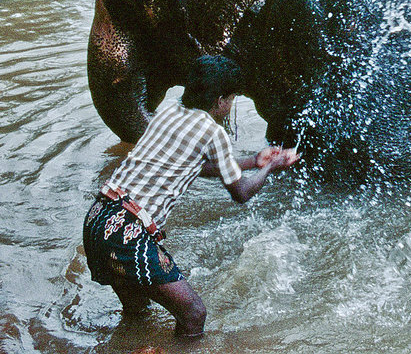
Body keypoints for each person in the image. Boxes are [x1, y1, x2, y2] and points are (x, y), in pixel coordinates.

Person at [82, 55, 298, 337]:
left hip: (98, 218)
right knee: (194, 314)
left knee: (138, 310)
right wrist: (271, 165)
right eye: (231, 99)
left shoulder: (169, 111)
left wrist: (253, 161)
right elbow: (241, 193)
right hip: (126, 230)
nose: (230, 105)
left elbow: (190, 164)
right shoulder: (213, 131)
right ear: (220, 100)